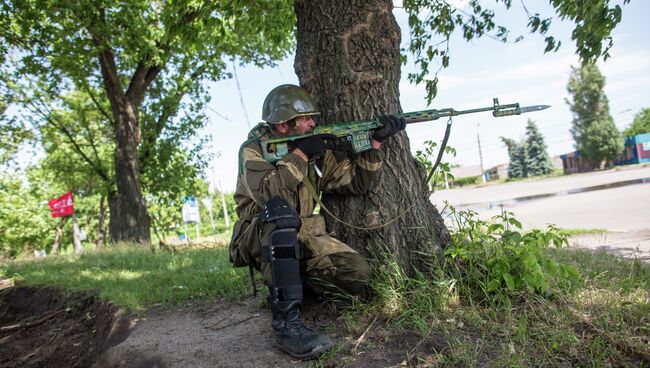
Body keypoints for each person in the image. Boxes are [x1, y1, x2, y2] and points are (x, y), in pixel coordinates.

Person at [228, 84, 405, 359]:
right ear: (285, 124)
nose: (313, 123)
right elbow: (268, 193)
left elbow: (355, 182)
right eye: (307, 118)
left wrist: (374, 145)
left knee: (357, 274)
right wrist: (300, 156)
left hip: (302, 236)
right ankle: (287, 323)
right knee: (279, 213)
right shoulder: (254, 151)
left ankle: (293, 289)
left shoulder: (311, 149)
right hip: (262, 234)